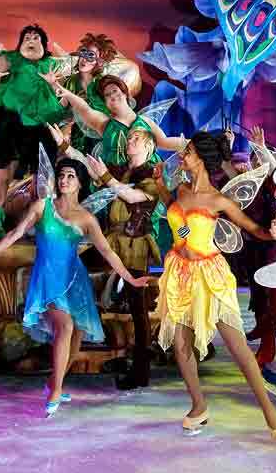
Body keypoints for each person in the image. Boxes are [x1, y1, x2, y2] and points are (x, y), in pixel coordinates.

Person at [0, 157, 149, 417]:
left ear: (80, 183)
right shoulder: (43, 206)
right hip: (48, 281)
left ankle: (54, 381)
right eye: (62, 175)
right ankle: (55, 391)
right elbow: (16, 233)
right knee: (64, 327)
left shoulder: (86, 218)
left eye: (70, 176)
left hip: (75, 282)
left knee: (76, 337)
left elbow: (108, 252)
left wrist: (130, 279)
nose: (64, 180)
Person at [153, 131, 276, 443]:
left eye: (187, 151)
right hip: (179, 273)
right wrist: (159, 185)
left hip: (209, 276)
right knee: (181, 345)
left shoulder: (218, 200)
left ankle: (270, 413)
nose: (182, 156)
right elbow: (175, 215)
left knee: (238, 348)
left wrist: (273, 234)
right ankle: (199, 406)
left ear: (200, 157)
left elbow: (253, 229)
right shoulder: (180, 189)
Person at [85, 127, 161, 389]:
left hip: (134, 244)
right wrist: (64, 145)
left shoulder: (150, 176)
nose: (131, 140)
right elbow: (96, 170)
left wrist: (105, 176)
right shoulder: (122, 172)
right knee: (117, 297)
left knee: (137, 306)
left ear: (149, 147)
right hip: (114, 240)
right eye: (129, 137)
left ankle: (141, 370)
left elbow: (131, 195)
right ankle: (121, 356)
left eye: (137, 138)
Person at [0, 24, 66, 235]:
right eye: (27, 37)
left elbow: (62, 97)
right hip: (11, 122)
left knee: (43, 175)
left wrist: (53, 85)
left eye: (36, 38)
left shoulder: (52, 65)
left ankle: (42, 218)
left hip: (42, 124)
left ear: (44, 46)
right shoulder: (10, 59)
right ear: (20, 45)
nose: (31, 40)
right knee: (3, 173)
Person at [48, 74, 184, 166]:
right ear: (105, 103)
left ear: (124, 93)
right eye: (107, 95)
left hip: (151, 173)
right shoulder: (104, 123)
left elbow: (165, 142)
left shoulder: (145, 121)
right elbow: (84, 108)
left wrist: (191, 144)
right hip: (119, 179)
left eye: (115, 90)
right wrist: (65, 92)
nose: (113, 95)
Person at [63, 33, 117, 155]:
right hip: (76, 132)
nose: (84, 59)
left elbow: (108, 113)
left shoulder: (104, 83)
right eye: (83, 52)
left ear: (100, 62)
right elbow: (64, 110)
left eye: (91, 56)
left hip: (99, 133)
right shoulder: (71, 81)